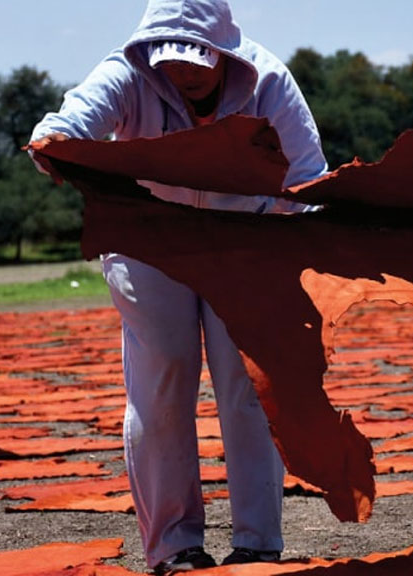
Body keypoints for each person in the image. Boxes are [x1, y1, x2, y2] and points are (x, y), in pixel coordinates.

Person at [29, 0, 328, 573]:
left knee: (245, 388)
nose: (183, 72)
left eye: (196, 60)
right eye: (171, 60)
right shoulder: (128, 73)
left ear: (224, 52)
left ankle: (257, 545)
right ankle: (175, 548)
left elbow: (306, 177)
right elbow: (70, 121)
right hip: (150, 246)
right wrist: (57, 146)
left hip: (245, 243)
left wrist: (320, 242)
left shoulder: (267, 81)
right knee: (162, 382)